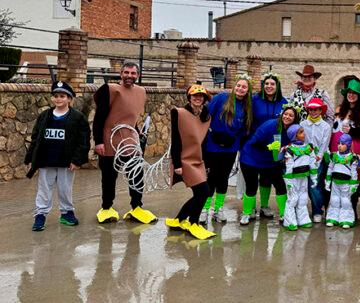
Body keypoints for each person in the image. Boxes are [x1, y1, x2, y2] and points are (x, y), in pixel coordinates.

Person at [92, 62, 156, 224]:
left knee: (136, 175)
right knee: (109, 177)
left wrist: (138, 134)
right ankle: (106, 207)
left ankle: (137, 207)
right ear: (121, 74)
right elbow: (99, 118)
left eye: (133, 73)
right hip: (110, 141)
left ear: (138, 75)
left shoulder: (141, 92)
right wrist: (98, 141)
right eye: (126, 72)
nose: (129, 76)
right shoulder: (110, 90)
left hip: (131, 141)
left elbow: (131, 118)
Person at [25, 81, 90, 231]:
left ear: (69, 99)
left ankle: (66, 213)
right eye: (56, 96)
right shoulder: (44, 116)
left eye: (62, 96)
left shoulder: (78, 117)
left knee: (65, 189)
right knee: (44, 189)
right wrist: (31, 158)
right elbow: (36, 138)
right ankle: (40, 215)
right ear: (52, 98)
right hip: (46, 160)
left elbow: (83, 141)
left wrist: (77, 160)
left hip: (66, 161)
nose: (58, 99)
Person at [165, 85, 216, 240]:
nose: (198, 98)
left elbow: (204, 141)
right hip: (184, 160)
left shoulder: (205, 117)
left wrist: (206, 163)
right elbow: (175, 139)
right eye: (195, 95)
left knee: (201, 193)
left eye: (201, 96)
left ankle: (179, 220)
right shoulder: (179, 112)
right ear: (189, 97)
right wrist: (177, 164)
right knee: (203, 191)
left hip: (198, 160)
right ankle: (193, 223)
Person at [201, 74, 253, 223]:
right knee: (210, 178)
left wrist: (235, 138)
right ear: (234, 86)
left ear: (248, 90)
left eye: (244, 87)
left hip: (230, 147)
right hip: (213, 145)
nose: (240, 89)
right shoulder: (221, 98)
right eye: (238, 85)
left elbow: (245, 127)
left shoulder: (247, 106)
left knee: (223, 178)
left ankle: (218, 209)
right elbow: (206, 114)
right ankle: (205, 209)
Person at [239, 104, 300, 225]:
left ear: (295, 118)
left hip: (271, 160)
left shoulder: (294, 129)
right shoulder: (270, 125)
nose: (287, 117)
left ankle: (283, 213)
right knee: (252, 186)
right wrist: (268, 146)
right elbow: (254, 142)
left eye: (291, 115)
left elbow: (294, 143)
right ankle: (246, 213)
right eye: (286, 114)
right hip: (251, 157)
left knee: (279, 185)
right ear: (282, 114)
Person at [331, 79, 360, 221]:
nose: (351, 95)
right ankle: (334, 212)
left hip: (355, 152)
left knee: (352, 181)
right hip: (336, 150)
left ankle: (351, 212)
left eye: (354, 93)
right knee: (335, 180)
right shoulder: (338, 110)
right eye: (349, 92)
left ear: (359, 96)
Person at [252, 72, 288, 217]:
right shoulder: (255, 100)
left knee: (267, 176)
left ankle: (264, 206)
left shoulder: (283, 102)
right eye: (266, 83)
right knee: (252, 176)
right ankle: (251, 206)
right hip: (257, 143)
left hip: (275, 145)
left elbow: (288, 121)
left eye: (272, 84)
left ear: (277, 86)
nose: (269, 86)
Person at [300, 97, 332, 223]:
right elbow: (301, 140)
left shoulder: (326, 126)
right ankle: (316, 206)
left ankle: (317, 211)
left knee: (314, 185)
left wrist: (318, 157)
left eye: (316, 109)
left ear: (320, 111)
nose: (313, 112)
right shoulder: (303, 124)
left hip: (318, 159)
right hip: (304, 158)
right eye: (311, 109)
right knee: (305, 185)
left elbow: (325, 144)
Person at [280, 124, 317, 230]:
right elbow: (288, 168)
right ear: (294, 136)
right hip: (293, 179)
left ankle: (303, 219)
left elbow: (313, 164)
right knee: (293, 199)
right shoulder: (290, 150)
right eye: (301, 132)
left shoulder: (309, 148)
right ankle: (290, 222)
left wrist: (314, 178)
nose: (304, 134)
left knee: (303, 199)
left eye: (303, 131)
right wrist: (289, 182)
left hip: (304, 177)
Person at [325, 134, 360, 228]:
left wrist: (353, 186)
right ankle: (332, 218)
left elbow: (354, 174)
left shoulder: (353, 158)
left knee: (345, 201)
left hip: (346, 184)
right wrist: (327, 181)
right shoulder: (333, 156)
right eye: (339, 143)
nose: (339, 146)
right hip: (335, 183)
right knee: (334, 200)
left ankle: (346, 219)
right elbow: (330, 168)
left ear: (348, 145)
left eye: (342, 144)